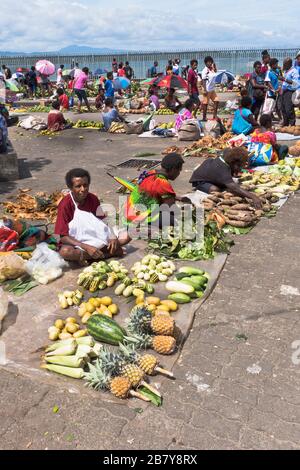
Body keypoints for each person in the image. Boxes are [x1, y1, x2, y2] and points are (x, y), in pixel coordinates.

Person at [55, 168, 130, 264]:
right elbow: (63, 237)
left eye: (85, 185)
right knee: (65, 252)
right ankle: (109, 253)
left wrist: (112, 236)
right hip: (78, 242)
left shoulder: (93, 198)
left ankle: (96, 254)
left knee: (125, 236)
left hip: (96, 236)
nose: (83, 189)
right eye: (78, 186)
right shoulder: (65, 204)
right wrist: (85, 246)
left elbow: (103, 219)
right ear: (70, 187)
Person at [124, 153, 187, 228]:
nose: (179, 173)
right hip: (137, 218)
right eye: (179, 170)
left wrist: (177, 198)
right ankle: (146, 229)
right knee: (175, 221)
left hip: (127, 211)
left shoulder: (150, 173)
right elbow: (171, 209)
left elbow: (154, 191)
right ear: (173, 169)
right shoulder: (163, 183)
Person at [189, 147, 262, 208]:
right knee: (216, 190)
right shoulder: (223, 169)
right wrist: (253, 197)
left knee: (228, 184)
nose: (241, 167)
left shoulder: (227, 157)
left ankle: (218, 183)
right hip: (200, 181)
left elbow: (230, 153)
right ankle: (201, 186)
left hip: (210, 171)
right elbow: (234, 187)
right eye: (240, 165)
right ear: (235, 163)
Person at [280, 57, 299, 126]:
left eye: (284, 64)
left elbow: (296, 83)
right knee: (283, 109)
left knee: (289, 109)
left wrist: (284, 79)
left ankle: (292, 124)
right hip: (284, 92)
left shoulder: (294, 71)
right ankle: (286, 124)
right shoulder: (286, 71)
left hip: (290, 92)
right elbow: (284, 83)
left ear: (289, 64)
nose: (283, 65)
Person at [201, 56, 218, 121]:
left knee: (216, 101)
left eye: (211, 62)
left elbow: (215, 73)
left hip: (212, 89)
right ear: (205, 63)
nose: (210, 63)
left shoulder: (212, 69)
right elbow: (204, 80)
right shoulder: (204, 70)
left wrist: (215, 67)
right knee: (205, 104)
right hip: (207, 89)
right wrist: (205, 90)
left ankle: (214, 116)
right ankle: (204, 118)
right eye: (208, 62)